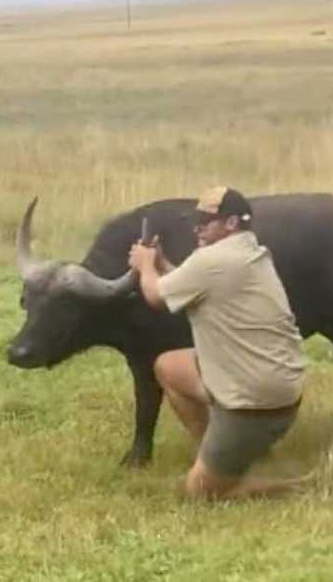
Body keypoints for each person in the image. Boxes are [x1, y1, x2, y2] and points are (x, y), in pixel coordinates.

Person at [127, 186, 308, 500]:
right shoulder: (248, 254)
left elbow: (156, 295)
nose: (197, 229)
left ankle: (294, 486)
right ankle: (217, 456)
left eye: (206, 222)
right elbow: (189, 283)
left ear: (232, 224)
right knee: (168, 366)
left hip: (252, 404)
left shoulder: (212, 260)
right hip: (272, 386)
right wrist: (159, 266)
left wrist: (144, 265)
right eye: (196, 221)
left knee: (198, 495)